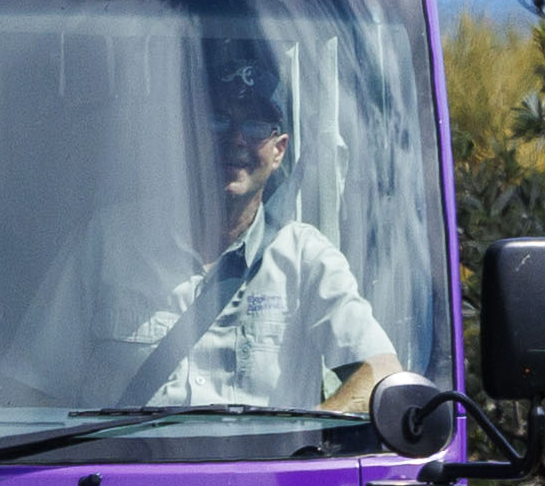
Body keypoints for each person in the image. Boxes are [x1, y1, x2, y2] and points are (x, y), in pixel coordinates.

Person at [126, 61, 396, 414]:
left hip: (270, 468)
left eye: (255, 126)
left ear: (279, 150)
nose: (236, 139)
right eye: (217, 120)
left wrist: (314, 432)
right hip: (128, 467)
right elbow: (37, 388)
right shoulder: (109, 245)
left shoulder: (306, 258)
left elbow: (382, 372)